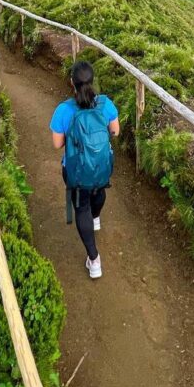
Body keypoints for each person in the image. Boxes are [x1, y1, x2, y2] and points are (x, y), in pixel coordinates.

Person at [50, 60, 119, 279]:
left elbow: (57, 144)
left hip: (77, 172)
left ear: (72, 83)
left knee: (81, 209)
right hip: (101, 168)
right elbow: (115, 132)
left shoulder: (63, 110)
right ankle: (96, 217)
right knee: (99, 191)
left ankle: (94, 260)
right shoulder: (106, 105)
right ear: (93, 81)